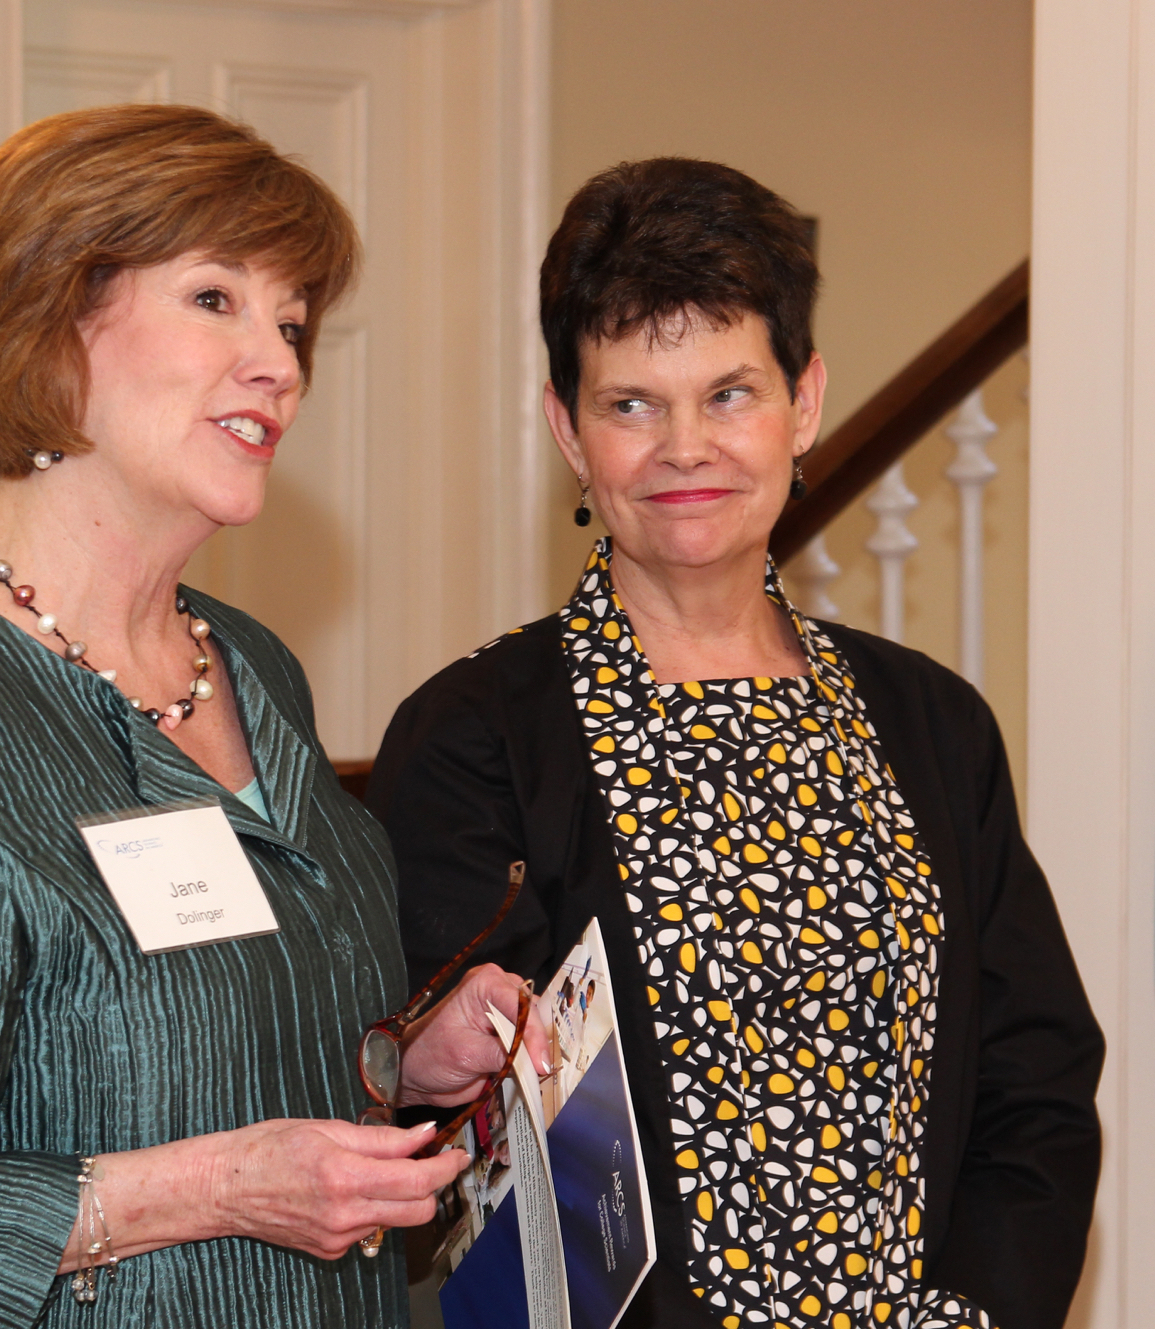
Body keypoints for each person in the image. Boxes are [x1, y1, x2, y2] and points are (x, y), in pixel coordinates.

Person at [0, 104, 546, 1329]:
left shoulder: (250, 666)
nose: (277, 363)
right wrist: (209, 1190)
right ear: (47, 318)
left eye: (290, 322)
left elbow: (205, 1041)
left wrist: (406, 1063)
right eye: (215, 299)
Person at [368, 158, 1103, 1329]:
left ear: (801, 403)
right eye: (629, 405)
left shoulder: (929, 723)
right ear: (566, 429)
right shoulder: (473, 737)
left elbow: (1034, 1087)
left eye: (728, 395)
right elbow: (421, 1118)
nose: (683, 448)